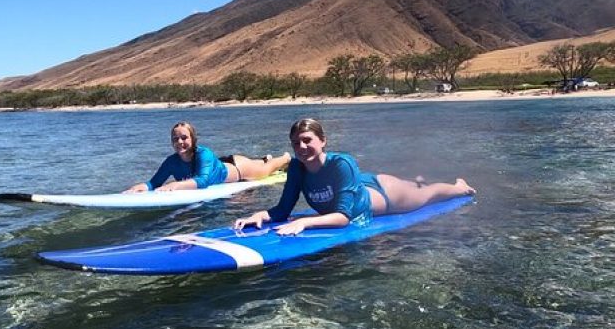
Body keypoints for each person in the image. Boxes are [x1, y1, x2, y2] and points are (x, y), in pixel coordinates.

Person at [234, 118, 475, 235]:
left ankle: (459, 186)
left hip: (385, 196)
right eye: (296, 143)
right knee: (421, 185)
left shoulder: (342, 163)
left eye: (307, 140)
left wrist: (304, 222)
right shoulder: (296, 167)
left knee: (428, 193)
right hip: (357, 186)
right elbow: (283, 209)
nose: (302, 147)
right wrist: (260, 215)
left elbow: (342, 218)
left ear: (323, 141)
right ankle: (420, 179)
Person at [124, 121, 291, 193]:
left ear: (193, 139)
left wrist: (174, 186)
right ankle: (264, 158)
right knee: (262, 163)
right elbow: (154, 182)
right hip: (221, 164)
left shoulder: (204, 153)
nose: (180, 142)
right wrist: (140, 187)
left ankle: (284, 158)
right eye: (175, 139)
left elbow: (203, 181)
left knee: (267, 169)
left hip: (240, 169)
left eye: (184, 138)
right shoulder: (171, 161)